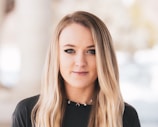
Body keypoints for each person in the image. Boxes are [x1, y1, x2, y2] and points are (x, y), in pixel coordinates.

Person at [12, 11, 141, 127]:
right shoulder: (28, 113)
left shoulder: (125, 117)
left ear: (104, 58)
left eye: (91, 51)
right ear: (56, 55)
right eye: (69, 50)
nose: (80, 62)